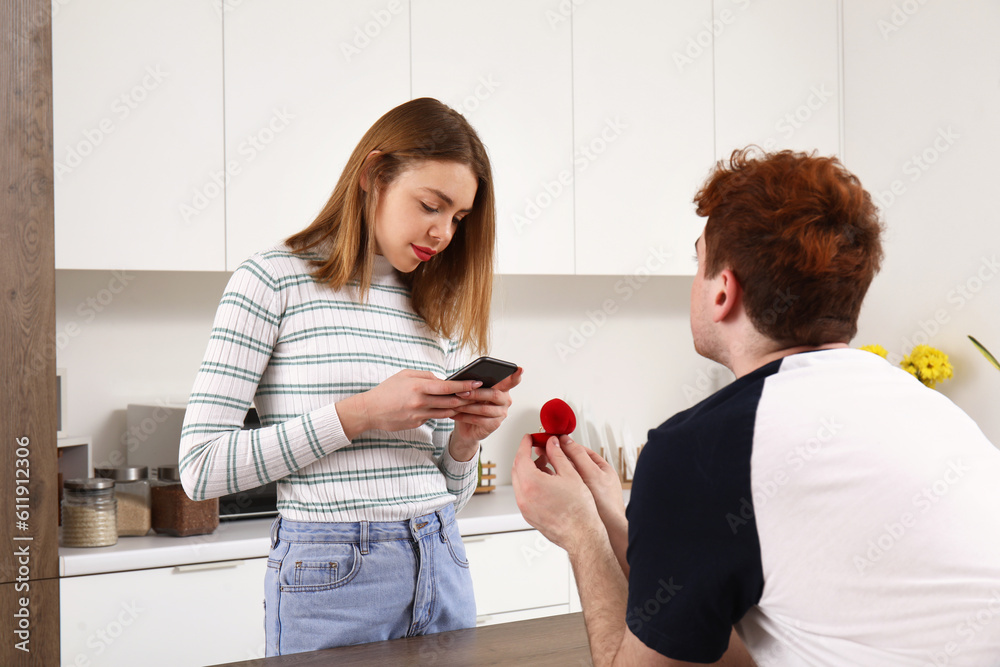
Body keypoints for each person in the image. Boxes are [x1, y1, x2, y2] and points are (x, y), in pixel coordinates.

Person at [513, 147, 1000, 665]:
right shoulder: (932, 412)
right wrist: (612, 518)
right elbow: (741, 638)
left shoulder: (701, 449)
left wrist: (579, 533)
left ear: (723, 291)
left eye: (697, 260)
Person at [178, 97, 522, 656]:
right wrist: (360, 414)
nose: (442, 233)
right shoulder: (272, 282)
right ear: (373, 174)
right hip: (332, 575)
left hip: (441, 557)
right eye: (431, 205)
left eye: (457, 218)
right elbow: (199, 469)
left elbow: (448, 494)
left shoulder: (437, 304)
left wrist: (464, 442)